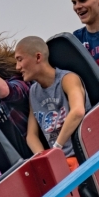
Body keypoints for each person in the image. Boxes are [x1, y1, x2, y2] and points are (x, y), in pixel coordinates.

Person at [14, 36, 91, 168]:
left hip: (83, 153)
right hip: (61, 161)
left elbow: (78, 111)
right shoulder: (33, 92)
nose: (17, 67)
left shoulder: (68, 79)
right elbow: (31, 135)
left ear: (38, 57)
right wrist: (46, 159)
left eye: (20, 60)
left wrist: (56, 149)